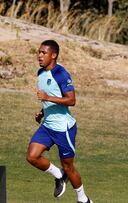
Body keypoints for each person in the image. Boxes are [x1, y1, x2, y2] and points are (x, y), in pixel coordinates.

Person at [26, 40, 92, 203]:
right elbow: (50, 97)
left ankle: (83, 199)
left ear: (53, 55)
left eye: (43, 53)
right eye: (39, 52)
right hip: (47, 126)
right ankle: (59, 175)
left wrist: (47, 98)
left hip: (64, 129)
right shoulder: (40, 73)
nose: (39, 56)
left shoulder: (61, 74)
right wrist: (42, 112)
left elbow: (71, 100)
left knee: (69, 167)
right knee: (32, 157)